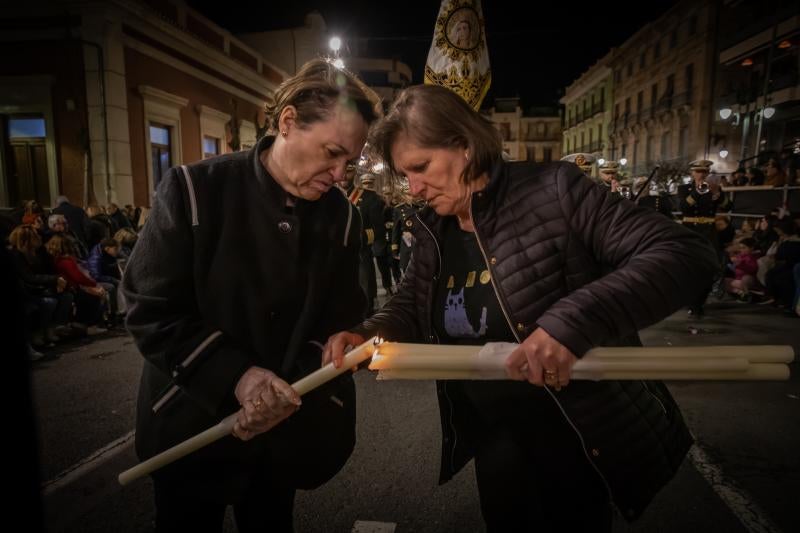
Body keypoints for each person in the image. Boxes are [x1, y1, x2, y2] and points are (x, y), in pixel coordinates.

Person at [323, 84, 718, 532]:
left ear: (465, 145)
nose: (414, 188)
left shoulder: (555, 190)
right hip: (494, 436)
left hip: (574, 432)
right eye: (405, 174)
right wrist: (367, 333)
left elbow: (684, 254)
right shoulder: (436, 228)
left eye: (421, 167)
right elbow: (410, 308)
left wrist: (570, 324)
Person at [122, 59, 382, 533]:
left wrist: (286, 390)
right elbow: (149, 308)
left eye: (350, 161)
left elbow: (340, 319)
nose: (340, 174)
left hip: (279, 436)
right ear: (287, 122)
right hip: (192, 425)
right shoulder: (193, 189)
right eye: (331, 153)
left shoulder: (342, 218)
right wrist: (236, 378)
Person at [678, 159, 731, 317]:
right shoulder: (684, 188)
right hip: (689, 230)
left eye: (705, 172)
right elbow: (683, 208)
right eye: (698, 171)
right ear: (692, 173)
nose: (702, 174)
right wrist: (697, 191)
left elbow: (729, 206)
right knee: (688, 268)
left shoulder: (714, 189)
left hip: (709, 231)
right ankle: (690, 300)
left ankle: (699, 302)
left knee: (709, 268)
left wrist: (717, 194)